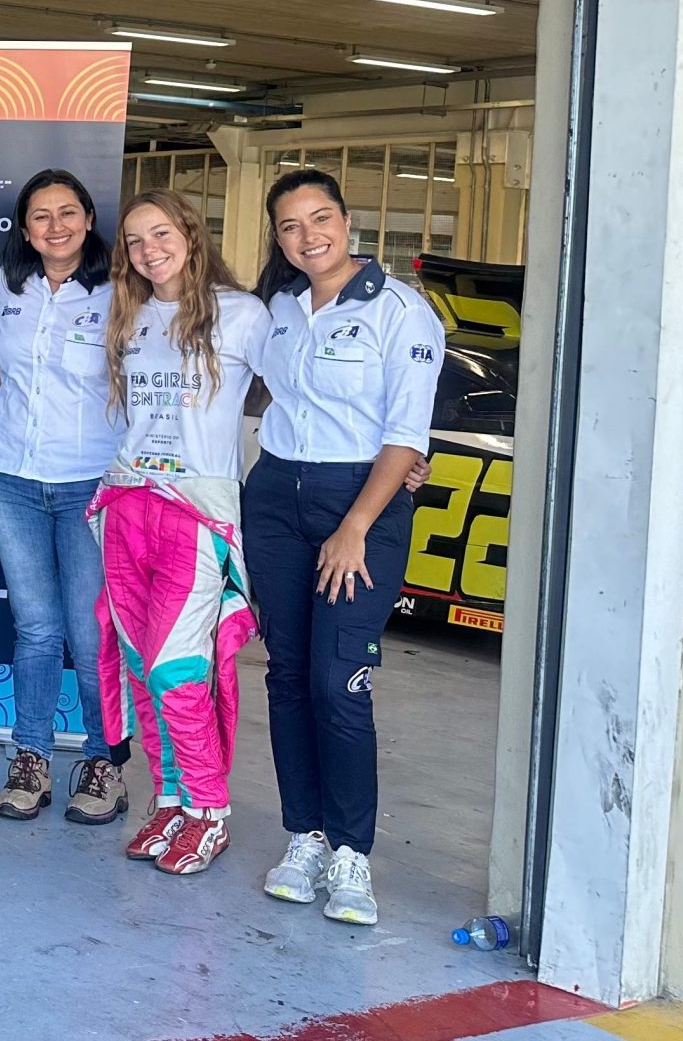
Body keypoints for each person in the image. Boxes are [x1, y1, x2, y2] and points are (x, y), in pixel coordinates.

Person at [246, 170, 444, 927]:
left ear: (347, 219)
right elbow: (250, 385)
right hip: (276, 500)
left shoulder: (401, 313)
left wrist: (356, 523)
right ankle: (306, 836)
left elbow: (406, 436)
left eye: (319, 218)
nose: (308, 235)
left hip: (361, 507)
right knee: (289, 675)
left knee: (339, 681)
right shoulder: (282, 311)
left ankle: (353, 854)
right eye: (291, 226)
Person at [90, 190, 268, 876]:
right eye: (134, 241)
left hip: (197, 511)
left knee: (177, 667)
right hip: (127, 502)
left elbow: (302, 391)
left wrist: (396, 455)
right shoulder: (129, 313)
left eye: (160, 234)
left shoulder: (243, 314)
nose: (148, 250)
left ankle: (209, 809)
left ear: (191, 235)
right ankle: (170, 802)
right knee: (140, 663)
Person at [0, 170, 129, 825]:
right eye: (41, 215)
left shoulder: (125, 292)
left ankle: (103, 762)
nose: (55, 226)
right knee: (36, 628)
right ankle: (30, 757)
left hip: (91, 484)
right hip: (9, 477)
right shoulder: (6, 286)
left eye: (68, 213)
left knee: (90, 634)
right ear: (24, 226)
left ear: (89, 219)